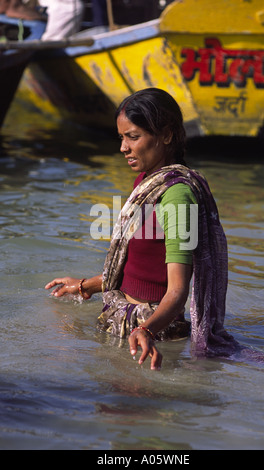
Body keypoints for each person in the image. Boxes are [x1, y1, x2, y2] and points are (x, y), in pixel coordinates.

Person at [45, 88, 238, 370]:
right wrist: (85, 286)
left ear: (167, 135)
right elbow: (139, 268)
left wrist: (146, 330)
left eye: (133, 137)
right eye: (122, 137)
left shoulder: (177, 197)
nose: (123, 147)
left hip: (153, 335)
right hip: (124, 321)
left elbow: (177, 290)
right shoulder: (146, 184)